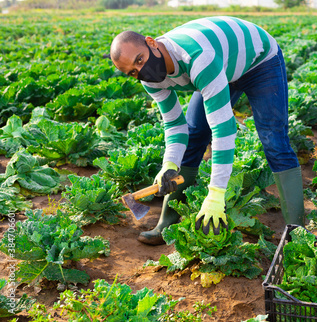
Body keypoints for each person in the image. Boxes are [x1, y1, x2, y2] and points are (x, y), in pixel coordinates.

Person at [110, 16, 304, 245]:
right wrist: (169, 166)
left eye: (140, 60)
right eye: (132, 71)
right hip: (220, 63)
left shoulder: (196, 58)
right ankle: (167, 222)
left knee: (274, 141)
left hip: (258, 62)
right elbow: (174, 124)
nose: (141, 71)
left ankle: (297, 232)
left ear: (152, 43)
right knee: (195, 135)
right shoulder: (149, 80)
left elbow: (223, 129)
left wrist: (216, 195)